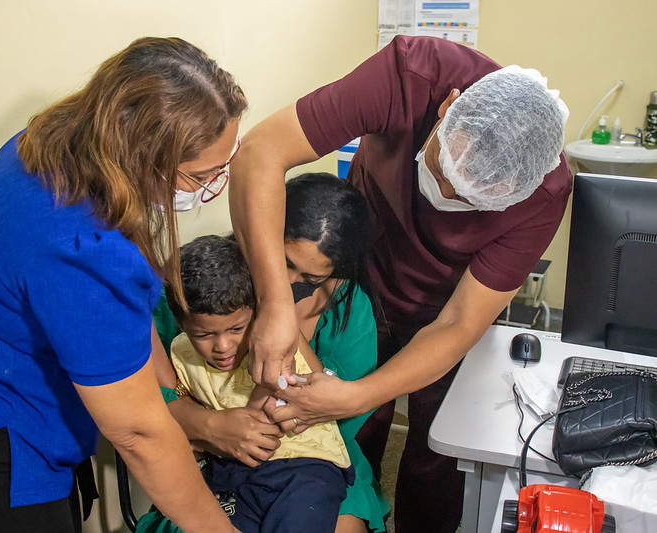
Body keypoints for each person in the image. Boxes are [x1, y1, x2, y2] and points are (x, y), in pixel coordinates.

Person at [0, 37, 246, 533]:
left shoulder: (42, 144)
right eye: (201, 175)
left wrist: (172, 397)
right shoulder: (86, 249)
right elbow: (140, 435)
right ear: (143, 158)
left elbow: (120, 327)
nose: (214, 185)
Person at [228, 35, 571, 533]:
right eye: (441, 169)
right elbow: (260, 151)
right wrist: (276, 302)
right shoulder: (413, 73)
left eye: (470, 200)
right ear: (447, 108)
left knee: (440, 444)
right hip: (365, 267)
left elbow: (459, 322)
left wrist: (358, 393)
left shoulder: (543, 193)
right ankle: (355, 508)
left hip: (450, 303)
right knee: (349, 426)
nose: (445, 197)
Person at [149, 173, 389, 533]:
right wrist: (210, 427)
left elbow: (341, 418)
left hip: (311, 458)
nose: (290, 282)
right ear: (262, 235)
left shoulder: (348, 309)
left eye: (311, 278)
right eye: (285, 262)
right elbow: (142, 397)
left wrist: (283, 325)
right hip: (208, 453)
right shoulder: (202, 292)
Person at [140, 234, 355, 533]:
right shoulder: (180, 352)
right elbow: (181, 403)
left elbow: (264, 416)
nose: (223, 346)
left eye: (237, 329)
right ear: (182, 325)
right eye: (203, 335)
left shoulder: (274, 343)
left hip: (304, 467)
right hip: (234, 469)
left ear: (256, 314)